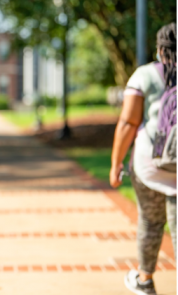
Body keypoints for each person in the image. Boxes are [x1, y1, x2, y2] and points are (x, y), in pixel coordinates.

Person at [110, 23, 176, 295]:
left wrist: (116, 165)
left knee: (150, 221)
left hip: (150, 165)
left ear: (161, 50)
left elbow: (128, 122)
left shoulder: (146, 75)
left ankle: (145, 279)